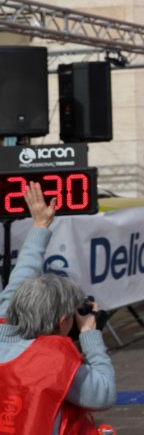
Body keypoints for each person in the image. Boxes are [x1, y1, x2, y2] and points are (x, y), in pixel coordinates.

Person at [0, 182, 117, 434]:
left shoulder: (5, 322)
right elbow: (103, 394)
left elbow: (19, 278)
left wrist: (40, 225)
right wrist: (90, 336)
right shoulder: (52, 362)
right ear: (62, 320)